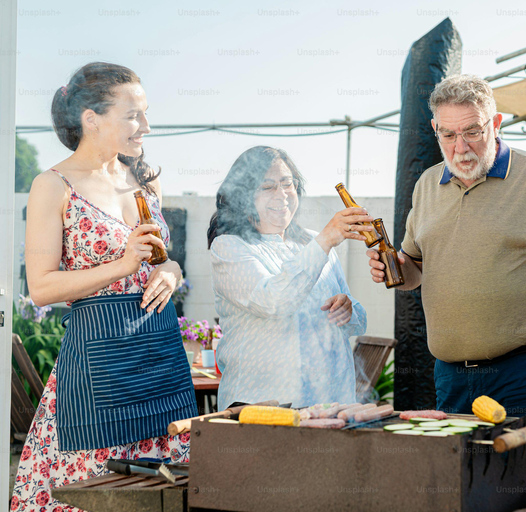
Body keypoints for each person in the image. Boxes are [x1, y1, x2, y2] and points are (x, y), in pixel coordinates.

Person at [367, 74, 526, 482]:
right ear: (436, 130)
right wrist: (394, 269)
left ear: (497, 122)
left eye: (473, 130)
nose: (461, 146)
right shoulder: (426, 186)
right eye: (449, 134)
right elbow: (415, 268)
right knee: (466, 489)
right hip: (450, 375)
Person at [12, 62, 197, 512]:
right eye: (134, 115)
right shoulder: (52, 185)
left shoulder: (145, 180)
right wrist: (122, 265)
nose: (146, 127)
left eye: (145, 114)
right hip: (99, 365)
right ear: (91, 118)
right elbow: (42, 287)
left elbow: (159, 258)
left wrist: (170, 270)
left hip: (158, 354)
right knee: (97, 494)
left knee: (167, 488)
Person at [208, 146, 368, 410]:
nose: (282, 195)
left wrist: (348, 309)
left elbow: (359, 323)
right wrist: (326, 240)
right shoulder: (229, 247)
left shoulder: (312, 241)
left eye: (288, 184)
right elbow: (275, 302)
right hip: (262, 406)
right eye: (267, 187)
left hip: (330, 404)